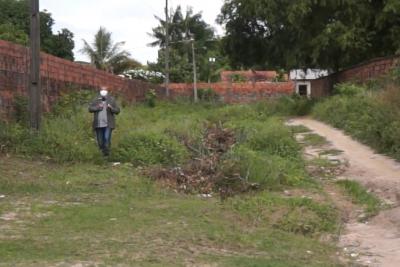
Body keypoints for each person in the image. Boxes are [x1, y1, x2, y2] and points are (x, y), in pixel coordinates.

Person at [89, 88, 120, 156]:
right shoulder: (96, 99)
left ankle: (107, 155)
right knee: (100, 142)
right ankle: (102, 154)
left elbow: (117, 110)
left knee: (106, 139)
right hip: (98, 124)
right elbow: (90, 109)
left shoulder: (111, 100)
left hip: (108, 124)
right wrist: (98, 107)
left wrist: (111, 108)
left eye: (105, 91)